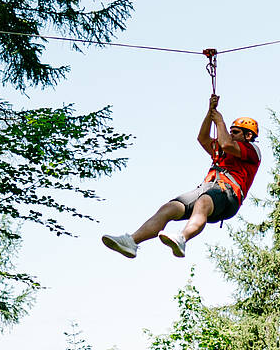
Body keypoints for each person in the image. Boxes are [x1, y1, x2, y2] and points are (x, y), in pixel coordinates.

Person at [101, 95, 262, 259]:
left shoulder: (252, 151)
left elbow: (227, 144)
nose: (230, 134)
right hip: (207, 189)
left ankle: (182, 237)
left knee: (203, 202)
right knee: (169, 208)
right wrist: (210, 112)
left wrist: (220, 122)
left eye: (234, 132)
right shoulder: (221, 151)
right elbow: (203, 138)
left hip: (228, 196)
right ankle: (132, 241)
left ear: (248, 136)